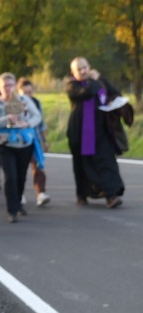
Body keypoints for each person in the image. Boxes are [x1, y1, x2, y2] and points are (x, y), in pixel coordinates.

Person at [64, 56, 124, 208]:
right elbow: (88, 92)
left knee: (107, 161)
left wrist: (113, 100)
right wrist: (95, 80)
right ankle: (81, 194)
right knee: (81, 164)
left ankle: (111, 196)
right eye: (79, 69)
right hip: (80, 132)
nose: (83, 71)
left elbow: (116, 93)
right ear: (73, 72)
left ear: (89, 66)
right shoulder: (72, 85)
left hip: (101, 130)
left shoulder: (100, 80)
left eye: (85, 67)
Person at [0, 72, 42, 223]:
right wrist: (7, 119)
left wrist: (27, 123)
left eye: (10, 85)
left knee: (21, 176)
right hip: (5, 144)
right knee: (10, 176)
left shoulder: (24, 100)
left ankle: (18, 203)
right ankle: (11, 209)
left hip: (24, 143)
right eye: (5, 86)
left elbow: (37, 116)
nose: (8, 88)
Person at [17, 77, 51, 207]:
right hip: (19, 140)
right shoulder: (15, 103)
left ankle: (41, 193)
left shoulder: (36, 103)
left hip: (35, 139)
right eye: (25, 93)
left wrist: (44, 140)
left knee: (38, 165)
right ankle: (19, 194)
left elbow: (41, 122)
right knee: (20, 168)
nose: (28, 96)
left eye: (30, 92)